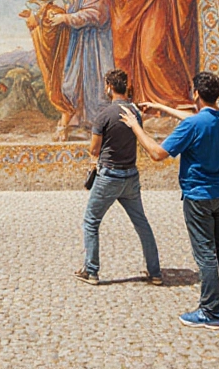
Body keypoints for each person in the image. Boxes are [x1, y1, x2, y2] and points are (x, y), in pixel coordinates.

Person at [121, 71, 219, 329]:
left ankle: (210, 312)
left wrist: (136, 127)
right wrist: (162, 108)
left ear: (195, 93)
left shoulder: (192, 126)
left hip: (199, 197)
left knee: (206, 254)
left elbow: (156, 153)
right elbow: (197, 120)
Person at [74, 69, 161, 286]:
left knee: (91, 221)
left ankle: (91, 271)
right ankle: (155, 272)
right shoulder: (135, 112)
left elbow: (94, 149)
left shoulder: (104, 115)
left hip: (109, 175)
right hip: (130, 175)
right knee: (142, 223)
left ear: (109, 87)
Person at [45, 0, 114, 138]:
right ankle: (77, 123)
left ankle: (99, 126)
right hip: (77, 42)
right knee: (70, 82)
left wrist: (66, 17)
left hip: (96, 42)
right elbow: (63, 8)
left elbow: (97, 14)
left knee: (97, 82)